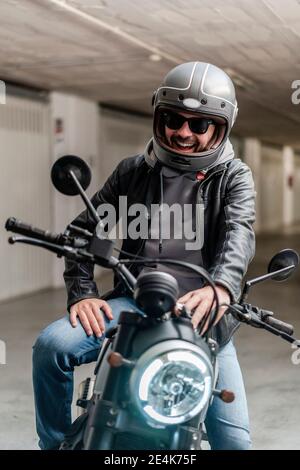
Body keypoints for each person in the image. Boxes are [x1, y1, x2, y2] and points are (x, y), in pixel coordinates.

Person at [32, 61, 255, 450]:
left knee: (234, 444)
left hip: (203, 318)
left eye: (199, 125)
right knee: (52, 346)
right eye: (173, 118)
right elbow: (84, 231)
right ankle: (53, 445)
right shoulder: (132, 171)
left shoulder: (234, 177)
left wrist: (221, 287)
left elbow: (240, 231)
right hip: (133, 304)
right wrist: (82, 292)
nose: (183, 132)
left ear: (220, 127)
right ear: (159, 116)